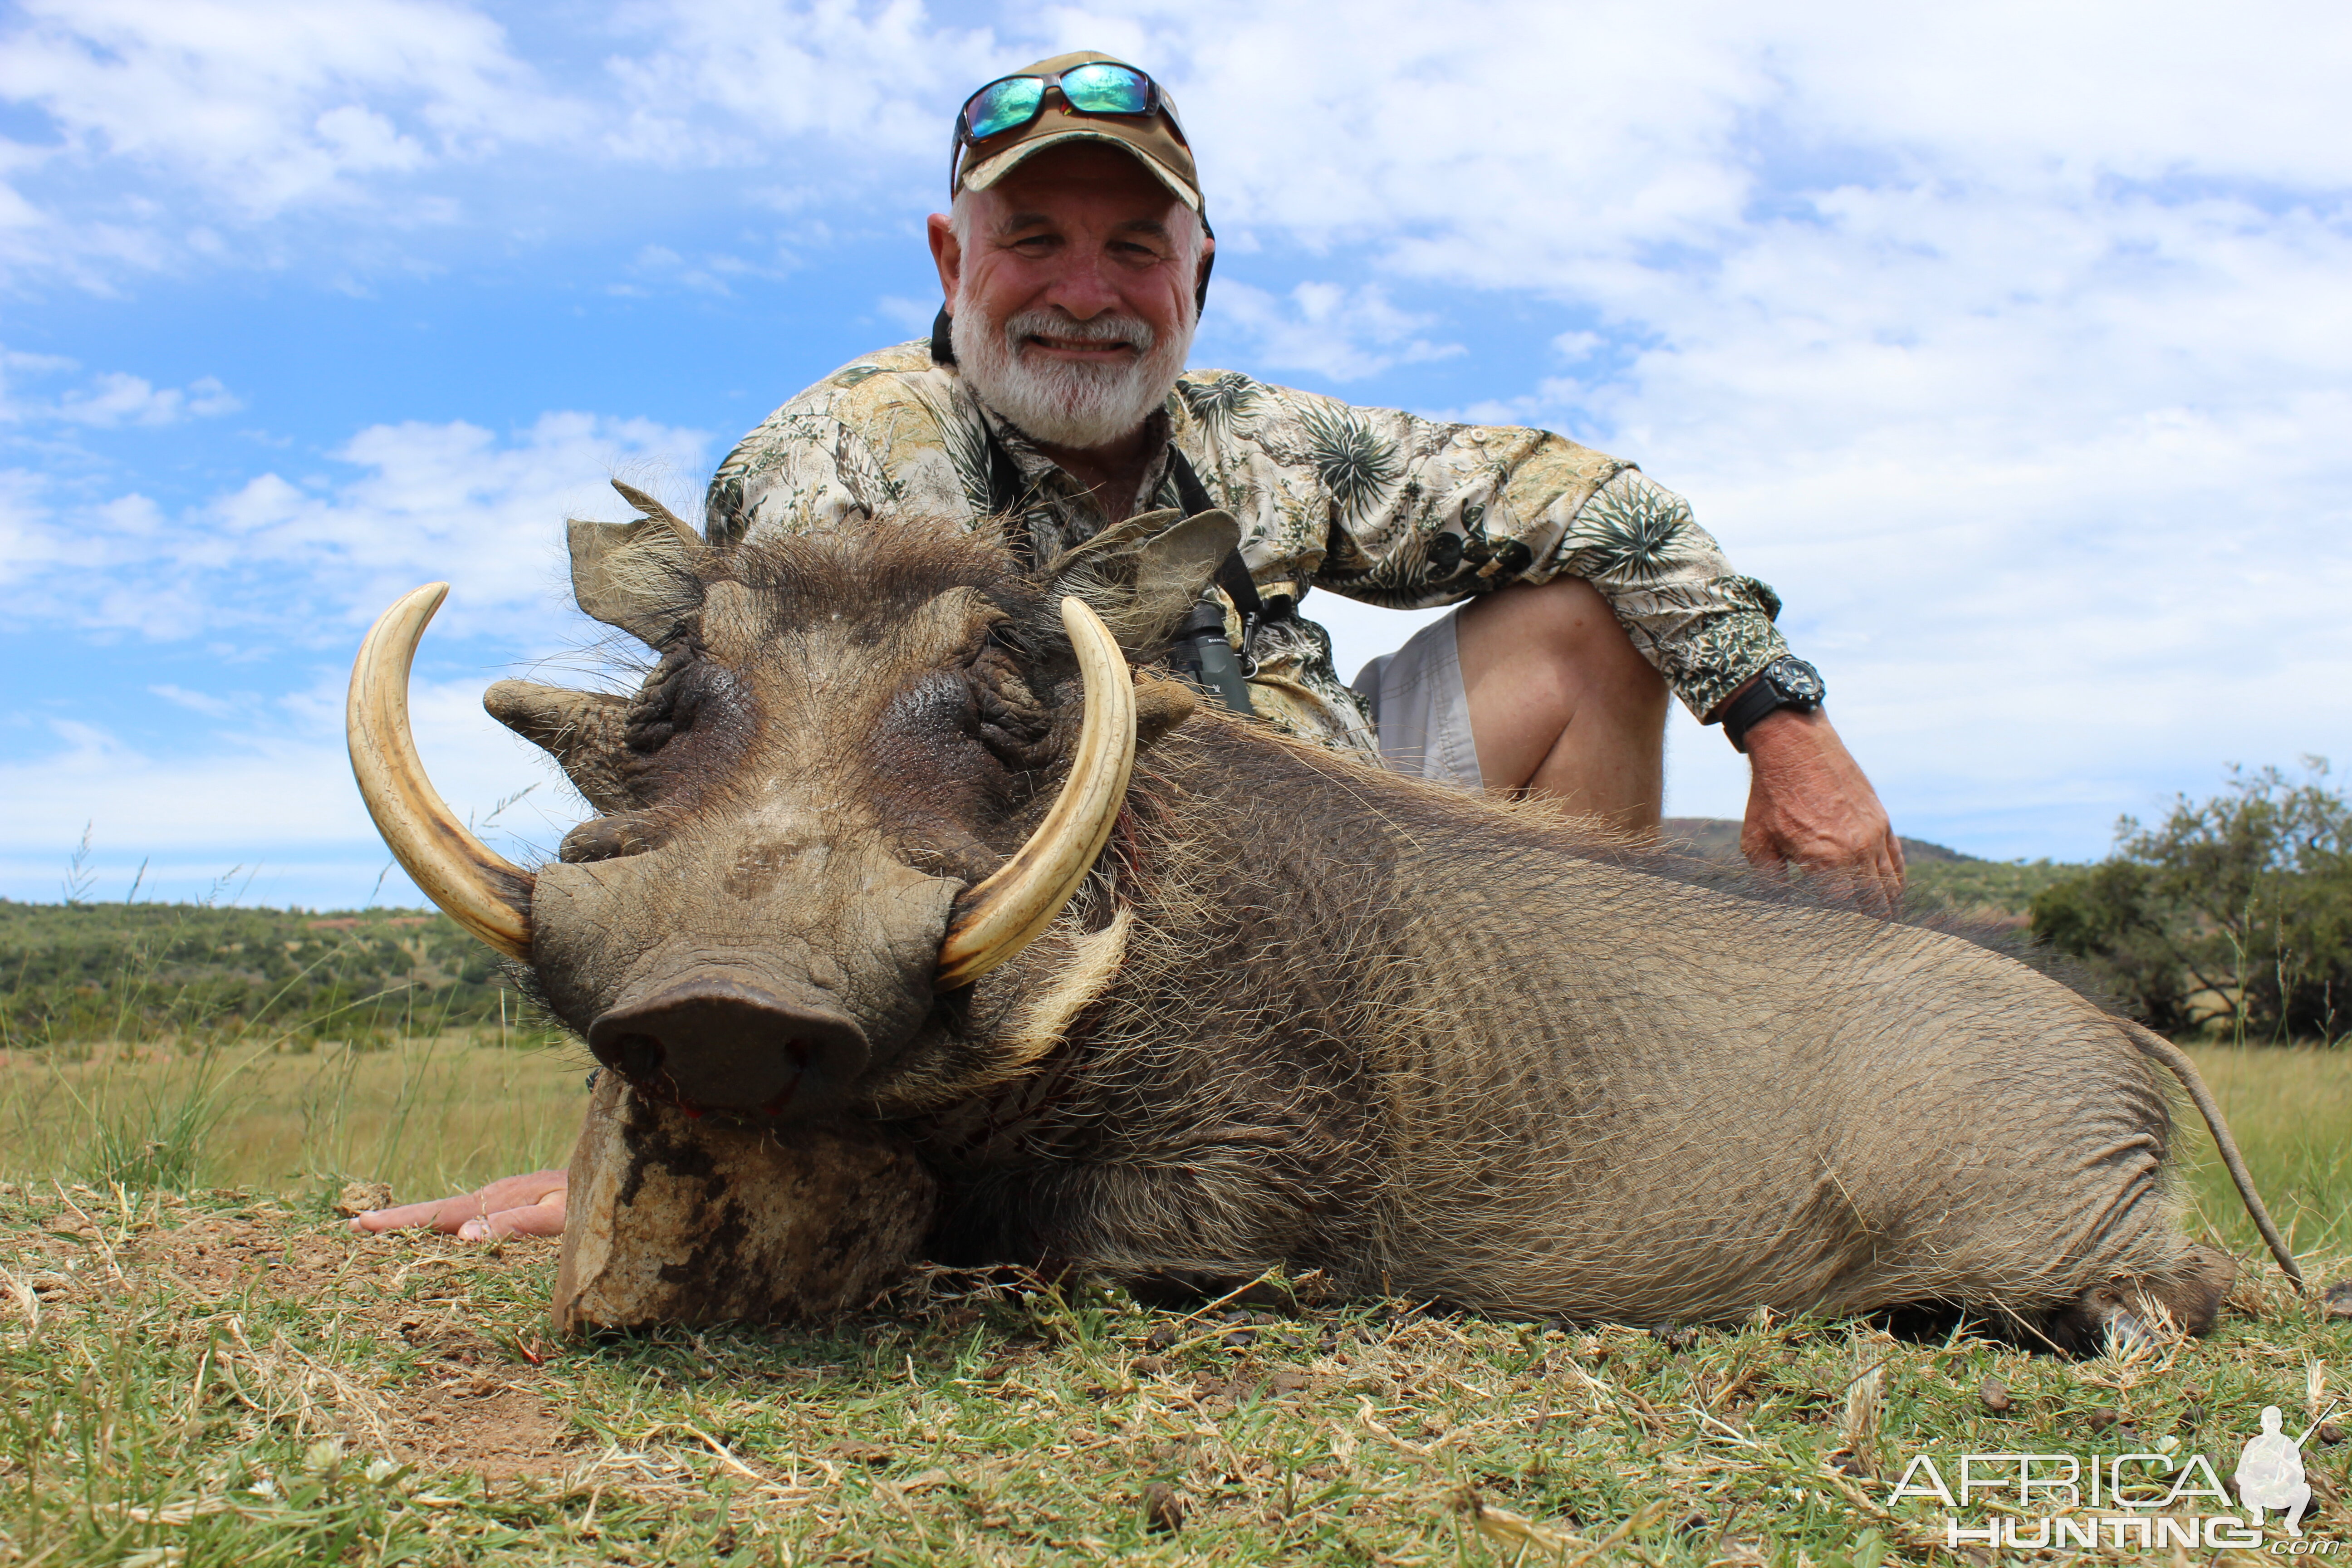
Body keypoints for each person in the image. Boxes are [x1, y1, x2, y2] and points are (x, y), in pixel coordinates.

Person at [354, 49, 1900, 1242]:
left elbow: (1595, 503)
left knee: (1579, 631)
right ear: (952, 266)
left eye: (1134, 246)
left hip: (1358, 879)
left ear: (1197, 279)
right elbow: (761, 812)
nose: (1087, 293)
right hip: (1113, 964)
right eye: (1032, 239)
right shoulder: (844, 456)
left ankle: (1569, 1085)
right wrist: (670, 1111)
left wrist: (1777, 717)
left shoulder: (1273, 443)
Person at [2235, 1405, 2314, 1535]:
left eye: (2276, 1421)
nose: (2272, 1425)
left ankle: (2292, 1523)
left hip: (2282, 1493)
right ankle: (2257, 1516)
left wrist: (2287, 1469)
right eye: (2269, 1421)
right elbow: (2240, 1473)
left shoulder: (2288, 1445)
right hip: (2258, 1493)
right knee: (2245, 1487)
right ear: (2262, 1424)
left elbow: (2301, 1475)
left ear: (2281, 1424)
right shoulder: (2254, 1444)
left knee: (2305, 1489)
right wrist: (2256, 1482)